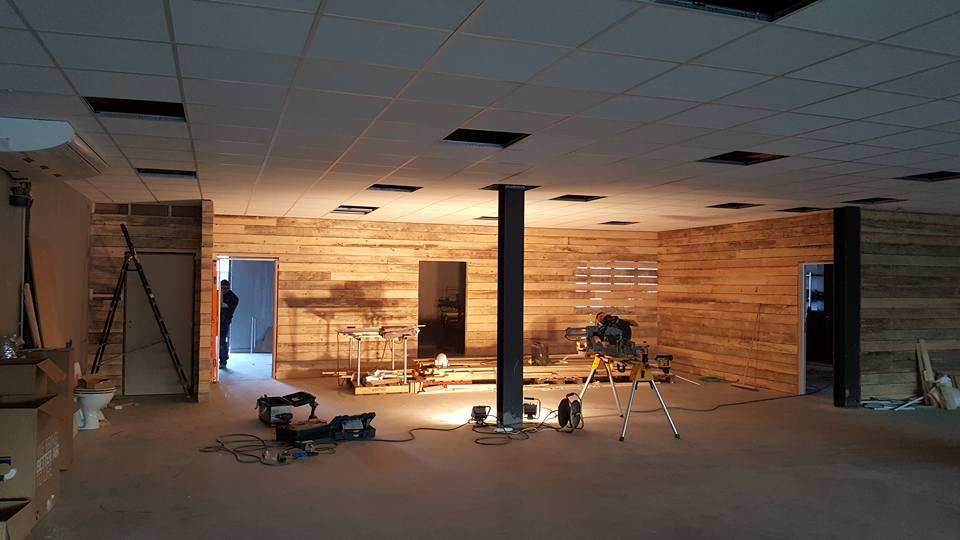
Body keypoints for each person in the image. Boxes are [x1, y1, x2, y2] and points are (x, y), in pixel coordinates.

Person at [219, 279, 239, 369]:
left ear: (229, 288)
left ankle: (223, 361)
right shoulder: (217, 294)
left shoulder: (232, 298)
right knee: (218, 342)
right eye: (222, 288)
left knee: (222, 341)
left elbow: (231, 309)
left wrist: (226, 306)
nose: (223, 290)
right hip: (216, 321)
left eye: (225, 288)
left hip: (224, 322)